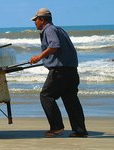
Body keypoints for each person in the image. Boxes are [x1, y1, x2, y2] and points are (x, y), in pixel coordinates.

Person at [29, 8, 88, 137]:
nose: (35, 23)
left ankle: (56, 127)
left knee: (46, 96)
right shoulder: (59, 29)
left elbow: (54, 46)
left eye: (36, 20)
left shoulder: (49, 29)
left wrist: (39, 57)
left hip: (60, 72)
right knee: (71, 100)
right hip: (71, 71)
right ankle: (80, 130)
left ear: (42, 20)